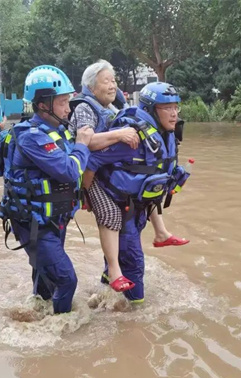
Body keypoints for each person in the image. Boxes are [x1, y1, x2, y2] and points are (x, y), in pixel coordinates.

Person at [69, 60, 187, 293]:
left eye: (176, 108)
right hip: (108, 190)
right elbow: (88, 149)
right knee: (131, 258)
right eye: (167, 108)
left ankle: (106, 296)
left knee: (153, 187)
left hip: (136, 200)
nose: (174, 114)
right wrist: (85, 192)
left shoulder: (125, 114)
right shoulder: (124, 132)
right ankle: (133, 307)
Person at [0, 65, 94, 314]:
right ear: (43, 105)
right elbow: (70, 170)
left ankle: (38, 316)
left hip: (51, 219)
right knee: (66, 280)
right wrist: (82, 144)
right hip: (34, 224)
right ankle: (62, 328)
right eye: (62, 103)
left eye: (68, 101)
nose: (68, 109)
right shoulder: (31, 136)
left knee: (46, 279)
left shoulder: (56, 131)